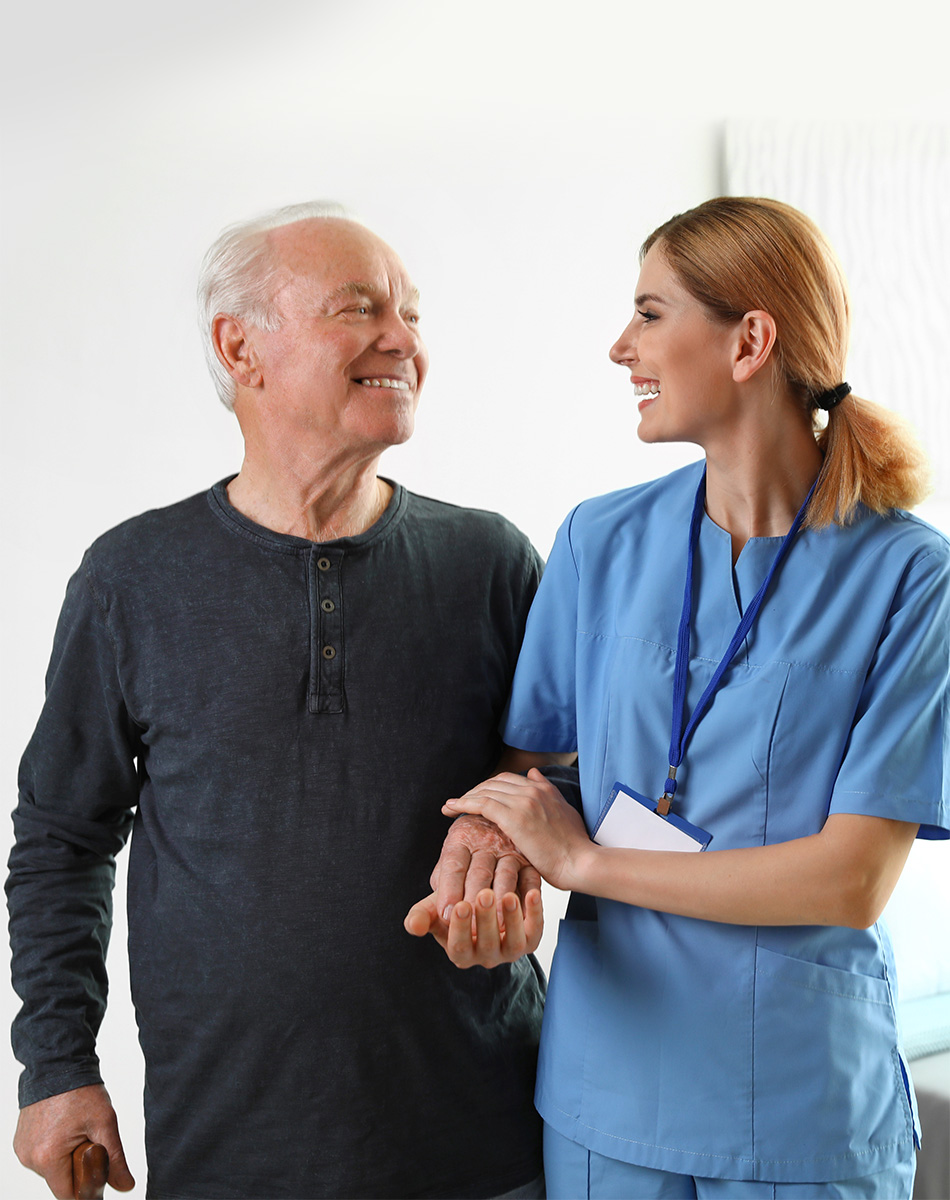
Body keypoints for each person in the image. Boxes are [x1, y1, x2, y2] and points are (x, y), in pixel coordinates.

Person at [7, 201, 565, 1200]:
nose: (400, 340)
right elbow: (60, 840)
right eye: (358, 309)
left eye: (410, 314)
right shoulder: (132, 578)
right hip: (232, 1151)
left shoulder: (489, 562)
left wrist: (514, 829)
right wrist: (57, 1068)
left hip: (485, 1144)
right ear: (242, 347)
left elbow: (564, 773)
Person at [424, 197, 949, 1199]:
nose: (621, 346)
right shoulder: (597, 540)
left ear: (749, 339)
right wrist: (482, 854)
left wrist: (582, 860)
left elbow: (849, 882)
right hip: (602, 1097)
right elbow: (533, 764)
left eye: (650, 313)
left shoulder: (909, 576)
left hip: (794, 1103)